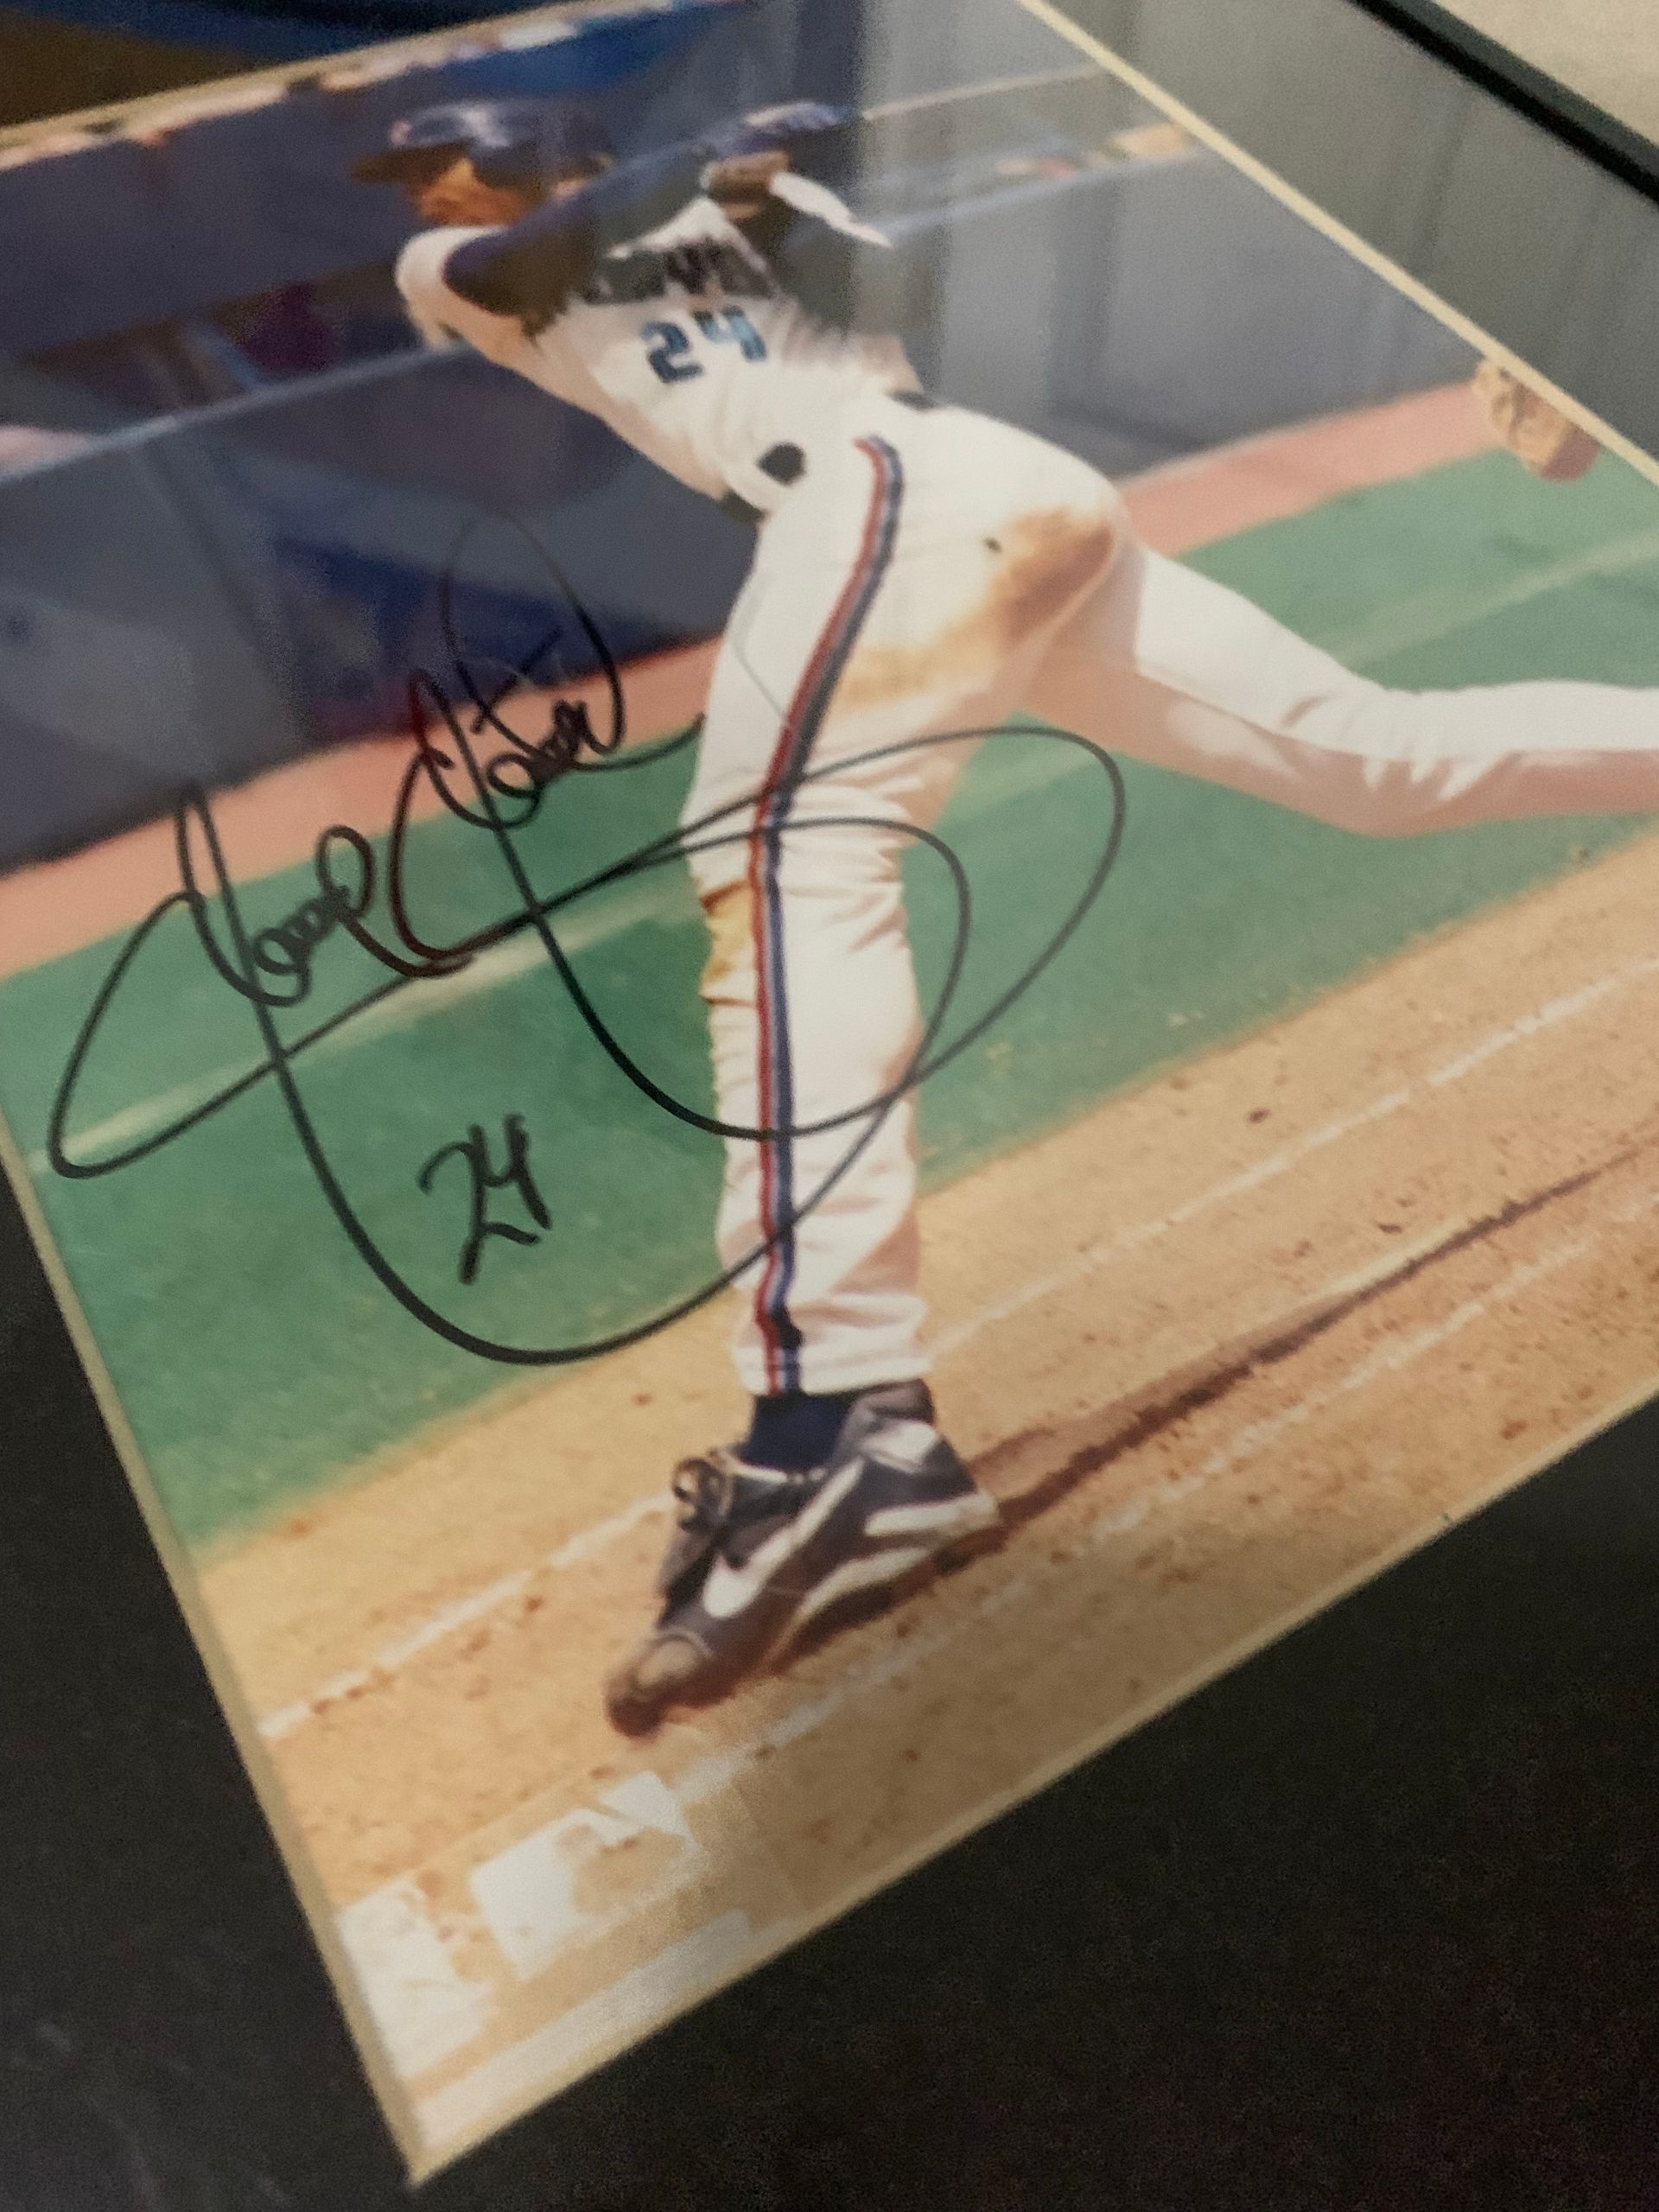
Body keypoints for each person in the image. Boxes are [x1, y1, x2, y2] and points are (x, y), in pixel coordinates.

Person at [353, 94, 1659, 1735]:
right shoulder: (459, 267)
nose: (423, 193)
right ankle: (846, 1413)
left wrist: (770, 202)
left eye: (439, 162)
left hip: (920, 487)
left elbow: (893, 303)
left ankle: (836, 1416)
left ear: (523, 141)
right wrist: (699, 170)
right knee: (1362, 763)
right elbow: (529, 259)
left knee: (791, 854)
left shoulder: (733, 195)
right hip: (923, 518)